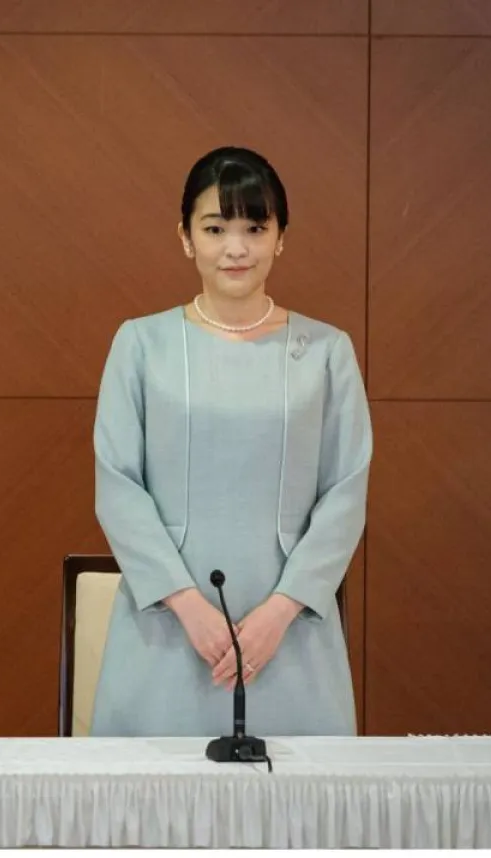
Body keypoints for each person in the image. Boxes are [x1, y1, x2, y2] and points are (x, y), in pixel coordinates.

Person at [90, 146, 371, 737]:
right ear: (187, 237)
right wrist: (190, 608)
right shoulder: (141, 346)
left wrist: (280, 611)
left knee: (297, 816)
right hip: (168, 627)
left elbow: (346, 491)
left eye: (255, 228)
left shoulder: (326, 351)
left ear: (280, 238)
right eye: (215, 228)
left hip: (292, 629)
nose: (236, 248)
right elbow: (117, 485)